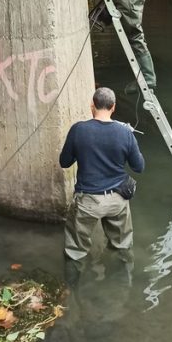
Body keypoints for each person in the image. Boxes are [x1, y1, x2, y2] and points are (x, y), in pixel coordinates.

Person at [60, 86, 144, 276]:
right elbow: (139, 167)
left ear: (92, 106)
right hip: (118, 200)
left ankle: (72, 292)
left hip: (88, 201)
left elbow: (64, 162)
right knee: (122, 246)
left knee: (75, 252)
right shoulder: (125, 133)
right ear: (113, 107)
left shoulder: (79, 130)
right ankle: (123, 285)